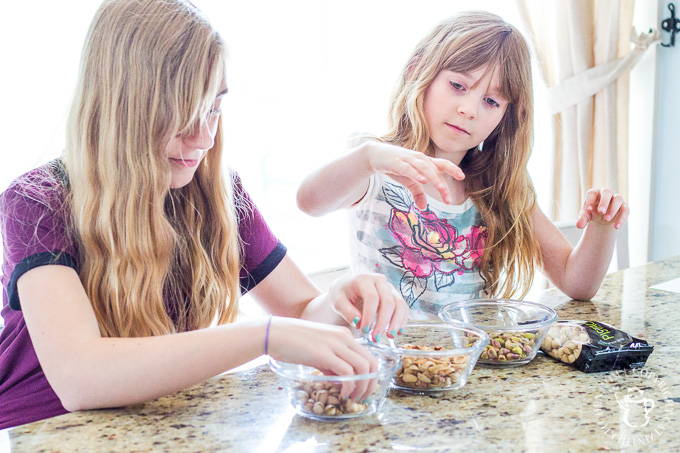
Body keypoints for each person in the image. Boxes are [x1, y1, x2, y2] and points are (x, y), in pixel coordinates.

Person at [0, 0, 409, 429]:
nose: (205, 138)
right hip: (37, 431)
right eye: (181, 115)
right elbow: (79, 377)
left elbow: (303, 315)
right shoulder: (37, 202)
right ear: (123, 109)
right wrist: (263, 336)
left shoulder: (216, 191)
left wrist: (343, 296)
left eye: (214, 108)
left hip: (153, 426)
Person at [296, 11, 629, 318]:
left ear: (505, 117)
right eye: (457, 85)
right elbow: (309, 202)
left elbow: (576, 282)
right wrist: (367, 158)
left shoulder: (498, 183)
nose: (469, 109)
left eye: (491, 101)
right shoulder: (374, 165)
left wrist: (602, 226)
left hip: (466, 366)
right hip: (384, 364)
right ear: (418, 70)